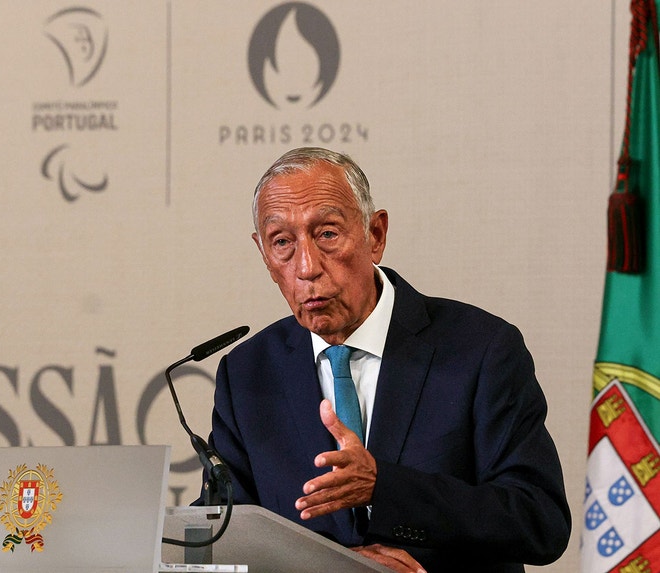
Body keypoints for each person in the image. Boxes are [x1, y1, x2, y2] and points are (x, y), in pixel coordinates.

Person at [197, 147, 571, 572]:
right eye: (282, 242)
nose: (306, 267)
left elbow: (540, 521)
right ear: (264, 254)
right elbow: (224, 533)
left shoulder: (481, 349)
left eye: (327, 234)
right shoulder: (248, 372)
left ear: (375, 235)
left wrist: (385, 488)